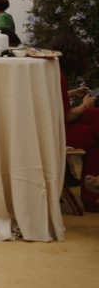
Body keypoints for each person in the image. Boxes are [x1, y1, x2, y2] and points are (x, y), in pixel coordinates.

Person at [49, 32, 99, 212]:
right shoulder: (59, 77)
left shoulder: (51, 71)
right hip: (57, 130)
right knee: (94, 143)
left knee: (95, 115)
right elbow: (67, 116)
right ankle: (91, 197)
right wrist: (85, 105)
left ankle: (93, 187)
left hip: (50, 124)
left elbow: (55, 98)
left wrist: (72, 93)